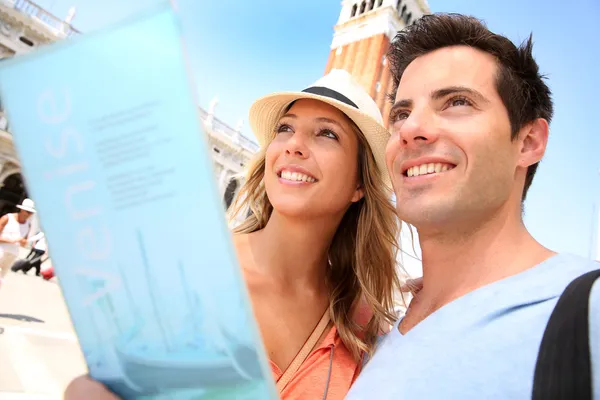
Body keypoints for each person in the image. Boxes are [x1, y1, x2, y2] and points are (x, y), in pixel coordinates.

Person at [65, 69, 404, 399]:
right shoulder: (189, 269)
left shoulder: (358, 321)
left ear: (360, 184)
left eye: (327, 133)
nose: (294, 145)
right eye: (285, 129)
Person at [346, 13, 600, 399]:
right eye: (401, 113)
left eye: (456, 102)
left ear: (529, 141)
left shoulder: (588, 311)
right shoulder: (372, 340)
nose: (411, 129)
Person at [0, 198, 35, 289]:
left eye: (31, 213)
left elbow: (23, 243)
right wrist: (12, 241)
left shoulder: (28, 224)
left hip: (12, 254)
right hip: (1, 250)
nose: (29, 215)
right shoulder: (7, 218)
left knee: (2, 277)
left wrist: (24, 242)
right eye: (28, 212)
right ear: (22, 210)